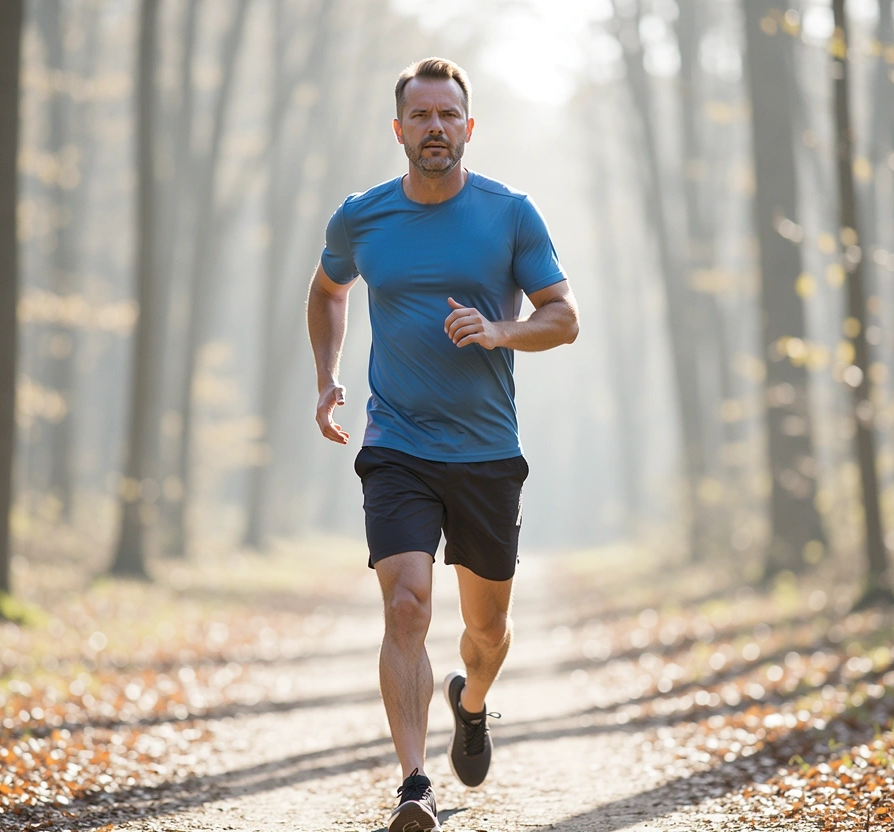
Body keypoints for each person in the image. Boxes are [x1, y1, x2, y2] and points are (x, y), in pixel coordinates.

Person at [306, 56, 579, 832]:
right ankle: (414, 785)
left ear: (468, 126)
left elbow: (564, 316)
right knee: (405, 604)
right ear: (399, 130)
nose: (434, 128)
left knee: (485, 631)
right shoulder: (362, 216)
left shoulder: (510, 213)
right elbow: (328, 290)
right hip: (396, 443)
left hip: (487, 450)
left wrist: (500, 330)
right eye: (420, 116)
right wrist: (327, 379)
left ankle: (474, 699)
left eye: (447, 115)